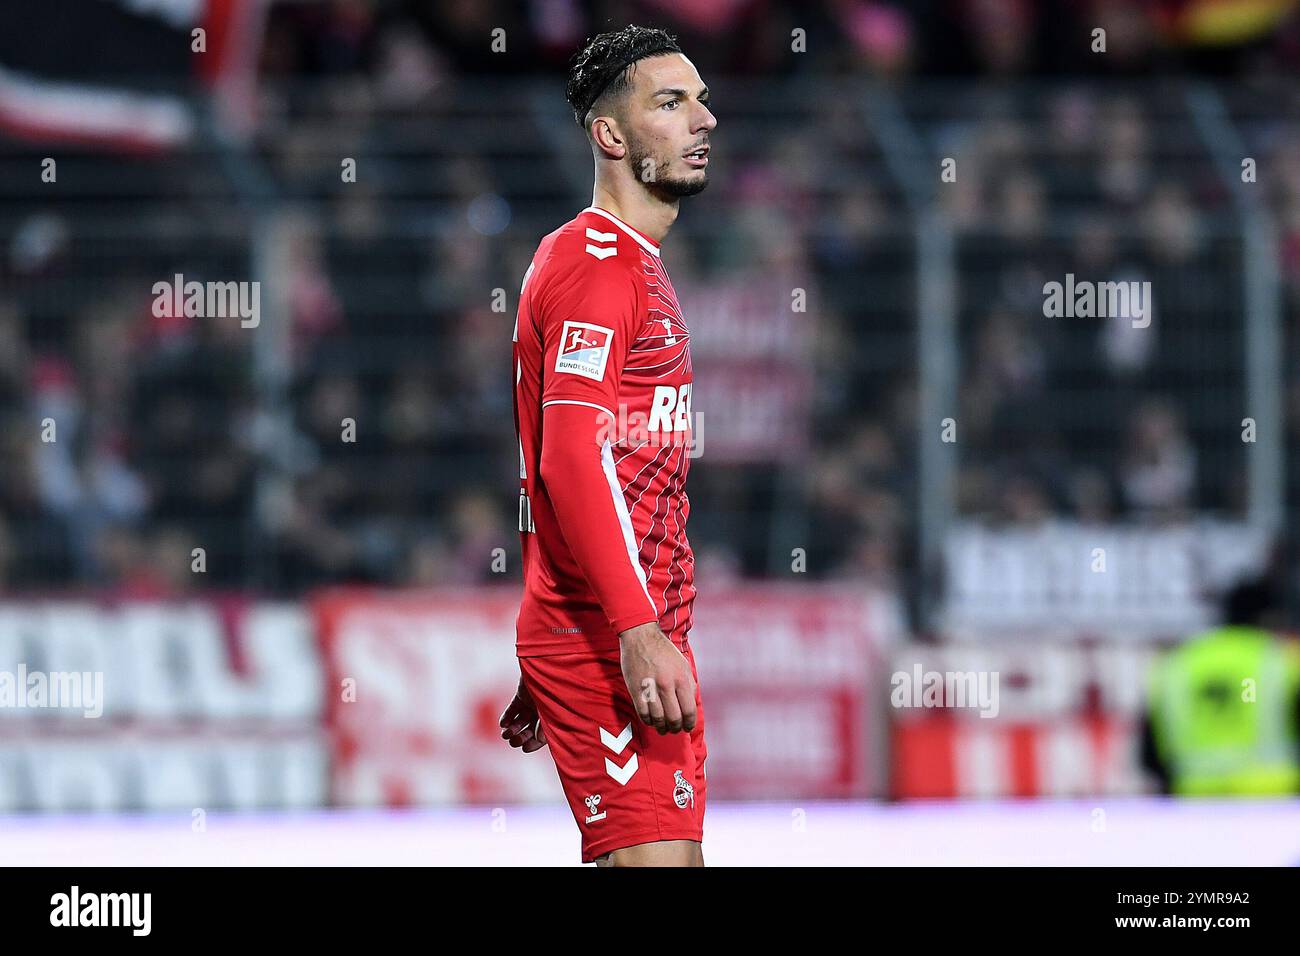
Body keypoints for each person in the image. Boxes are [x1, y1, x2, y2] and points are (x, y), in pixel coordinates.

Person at [498, 25, 716, 866]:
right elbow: (566, 459)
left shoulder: (634, 264)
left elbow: (549, 468)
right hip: (614, 634)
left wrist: (547, 622)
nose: (704, 118)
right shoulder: (595, 266)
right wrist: (620, 629)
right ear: (611, 135)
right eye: (672, 102)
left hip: (623, 627)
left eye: (700, 98)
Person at [1140, 580, 1300, 796]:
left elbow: (1149, 755)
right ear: (1268, 617)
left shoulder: (1178, 664)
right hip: (1273, 804)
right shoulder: (1282, 660)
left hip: (1195, 804)